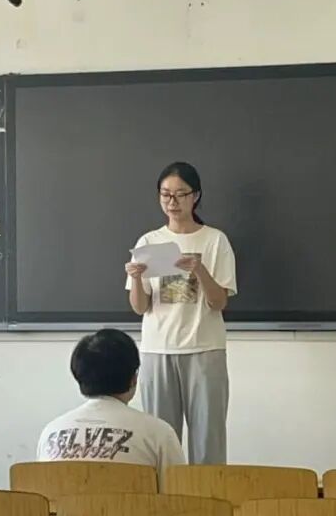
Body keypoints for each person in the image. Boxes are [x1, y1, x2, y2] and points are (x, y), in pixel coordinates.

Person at [124, 161, 237, 465]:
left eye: (180, 194)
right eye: (165, 195)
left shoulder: (214, 240)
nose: (172, 202)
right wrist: (136, 277)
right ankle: (166, 494)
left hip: (205, 348)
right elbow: (140, 307)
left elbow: (218, 303)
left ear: (195, 196)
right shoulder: (149, 241)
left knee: (208, 441)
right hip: (158, 349)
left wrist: (199, 269)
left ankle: (207, 494)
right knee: (161, 442)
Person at [36, 328, 185, 481]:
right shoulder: (159, 434)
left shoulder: (50, 434)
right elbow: (178, 491)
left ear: (79, 376)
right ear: (133, 378)